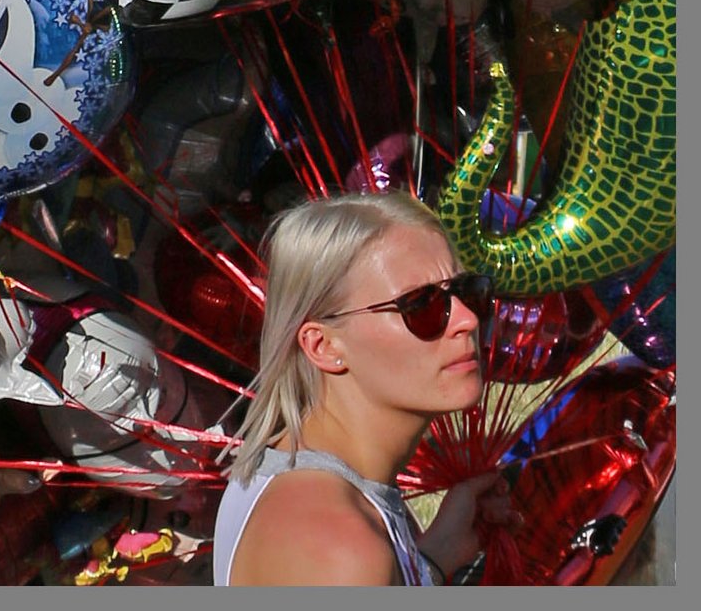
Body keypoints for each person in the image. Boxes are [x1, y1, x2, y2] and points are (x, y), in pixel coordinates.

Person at [213, 192, 521, 586]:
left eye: (467, 291)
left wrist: (435, 558)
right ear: (323, 346)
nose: (466, 320)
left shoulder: (293, 477)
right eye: (420, 305)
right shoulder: (341, 547)